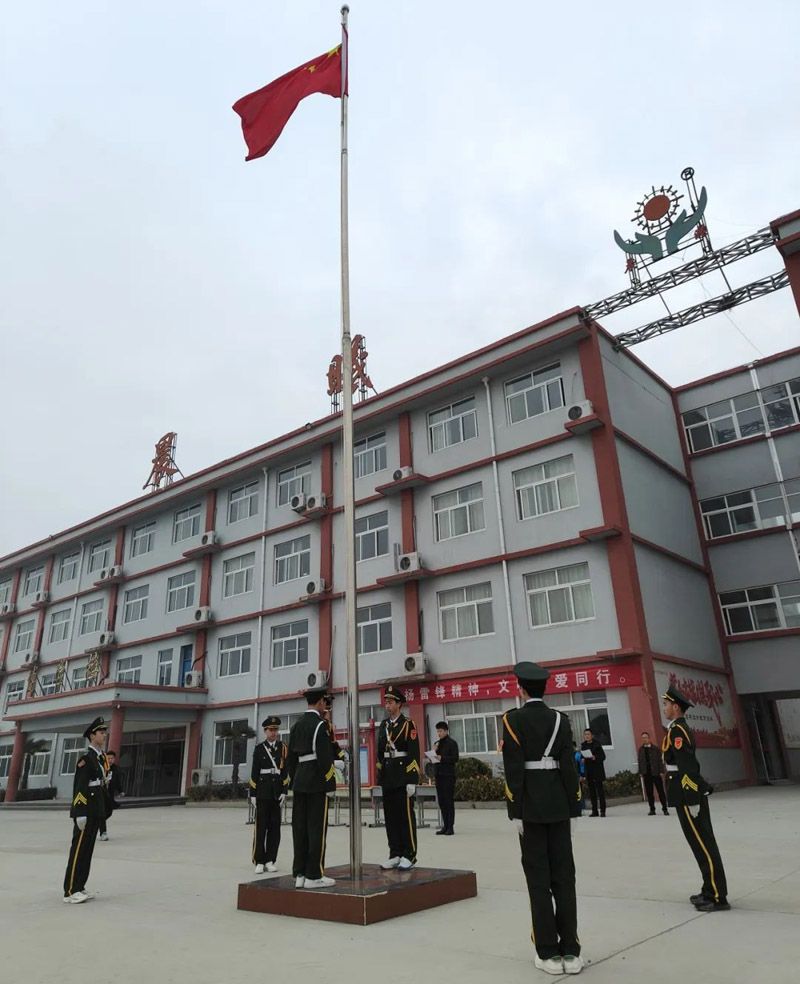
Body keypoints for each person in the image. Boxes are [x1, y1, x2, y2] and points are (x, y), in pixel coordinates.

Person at [502, 662, 583, 975]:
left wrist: (515, 810)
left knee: (539, 881)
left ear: (521, 689)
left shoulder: (513, 720)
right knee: (564, 877)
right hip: (560, 807)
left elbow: (514, 771)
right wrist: (574, 807)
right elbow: (569, 768)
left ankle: (548, 953)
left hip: (531, 810)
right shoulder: (561, 720)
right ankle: (572, 952)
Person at [662, 684, 730, 912]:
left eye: (666, 704)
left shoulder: (678, 731)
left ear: (675, 706)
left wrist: (692, 796)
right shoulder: (675, 729)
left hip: (686, 793)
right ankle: (709, 888)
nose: (664, 708)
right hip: (682, 791)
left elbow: (687, 767)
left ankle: (718, 896)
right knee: (699, 844)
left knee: (703, 843)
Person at [286, 687, 336, 889]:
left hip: (299, 781)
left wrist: (294, 779)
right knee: (316, 829)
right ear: (320, 702)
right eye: (325, 701)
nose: (326, 705)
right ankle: (314, 874)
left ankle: (299, 873)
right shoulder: (320, 726)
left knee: (300, 829)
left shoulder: (297, 725)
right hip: (316, 783)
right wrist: (330, 783)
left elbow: (290, 759)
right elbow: (325, 758)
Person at [63, 716, 109, 904]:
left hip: (96, 810)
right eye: (100, 732)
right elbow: (80, 787)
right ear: (92, 735)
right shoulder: (86, 759)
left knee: (88, 850)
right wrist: (79, 811)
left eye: (105, 732)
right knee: (78, 850)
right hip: (86, 810)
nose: (104, 735)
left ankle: (80, 886)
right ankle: (70, 890)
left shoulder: (100, 758)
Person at [376, 684, 421, 870]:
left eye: (391, 701)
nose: (387, 705)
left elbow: (413, 753)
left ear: (399, 704)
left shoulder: (408, 724)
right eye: (386, 701)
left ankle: (409, 854)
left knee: (405, 817)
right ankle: (394, 853)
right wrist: (380, 772)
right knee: (391, 817)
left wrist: (412, 780)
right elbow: (380, 753)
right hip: (388, 775)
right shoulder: (384, 725)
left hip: (403, 775)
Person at [248, 715, 288, 874]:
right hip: (263, 792)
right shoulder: (259, 749)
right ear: (265, 731)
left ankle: (271, 859)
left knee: (275, 828)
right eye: (271, 730)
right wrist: (253, 793)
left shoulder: (283, 748)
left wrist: (285, 790)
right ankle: (259, 860)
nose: (274, 732)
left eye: (276, 729)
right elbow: (254, 772)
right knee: (261, 827)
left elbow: (285, 771)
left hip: (276, 793)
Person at [433, 721, 459, 835]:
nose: (439, 733)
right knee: (442, 802)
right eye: (437, 731)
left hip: (448, 775)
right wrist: (433, 752)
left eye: (441, 731)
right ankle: (444, 826)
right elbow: (433, 759)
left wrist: (441, 758)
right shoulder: (437, 744)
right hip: (439, 775)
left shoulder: (452, 743)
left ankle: (450, 827)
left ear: (446, 731)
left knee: (448, 801)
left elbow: (455, 758)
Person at [638, 731, 669, 816]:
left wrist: (662, 771)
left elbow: (660, 760)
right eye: (643, 738)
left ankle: (665, 808)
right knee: (649, 792)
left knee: (660, 791)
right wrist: (640, 772)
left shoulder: (655, 749)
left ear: (649, 738)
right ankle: (652, 809)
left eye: (646, 737)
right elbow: (640, 761)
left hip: (655, 772)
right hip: (646, 773)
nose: (644, 739)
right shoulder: (641, 749)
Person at [580, 728, 606, 817]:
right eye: (585, 734)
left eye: (588, 734)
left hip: (597, 770)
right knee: (592, 792)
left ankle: (603, 810)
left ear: (592, 735)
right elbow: (582, 755)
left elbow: (603, 757)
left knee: (600, 791)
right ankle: (594, 811)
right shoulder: (583, 745)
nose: (586, 736)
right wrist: (583, 759)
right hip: (589, 771)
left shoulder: (597, 744)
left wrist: (595, 757)